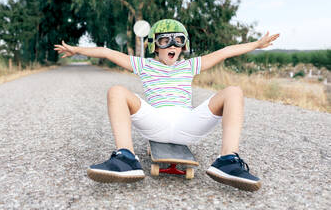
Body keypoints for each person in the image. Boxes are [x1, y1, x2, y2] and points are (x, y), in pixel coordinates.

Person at [54, 19, 279, 191]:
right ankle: (126, 158)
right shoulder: (143, 65)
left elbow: (225, 52)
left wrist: (256, 45)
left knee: (234, 92)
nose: (172, 45)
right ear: (154, 45)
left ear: (184, 46)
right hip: (156, 121)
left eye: (178, 41)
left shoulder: (189, 66)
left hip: (187, 124)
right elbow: (107, 52)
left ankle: (228, 160)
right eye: (164, 41)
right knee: (116, 91)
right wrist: (77, 50)